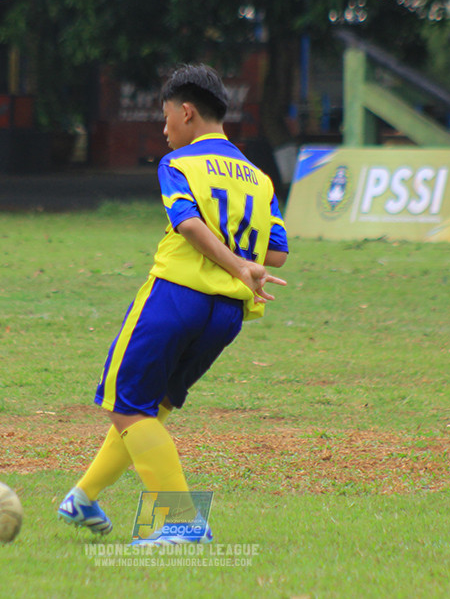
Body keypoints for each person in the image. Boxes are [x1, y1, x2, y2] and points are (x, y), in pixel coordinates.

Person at [57, 63, 289, 542]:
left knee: (125, 407)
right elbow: (278, 252)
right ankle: (83, 498)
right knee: (151, 407)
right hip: (225, 316)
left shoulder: (180, 164)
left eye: (166, 119)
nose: (164, 131)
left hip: (176, 297)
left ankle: (184, 522)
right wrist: (246, 264)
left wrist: (232, 263)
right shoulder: (259, 179)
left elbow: (186, 222)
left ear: (187, 113)